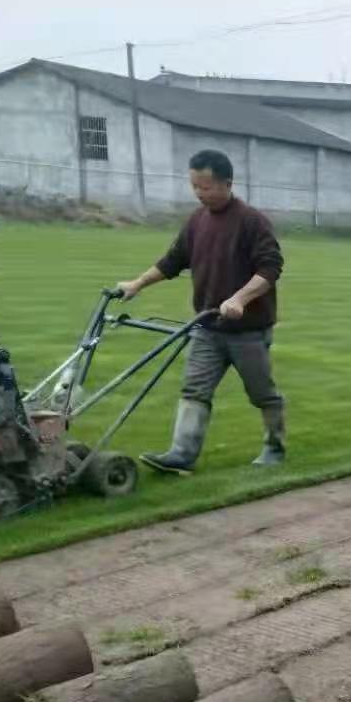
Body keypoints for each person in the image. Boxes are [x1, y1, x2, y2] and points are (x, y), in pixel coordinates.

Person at [116, 149, 285, 474]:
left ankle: (274, 448)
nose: (199, 193)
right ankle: (181, 455)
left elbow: (270, 269)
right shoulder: (197, 220)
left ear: (227, 183)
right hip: (207, 326)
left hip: (247, 330)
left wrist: (240, 299)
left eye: (205, 187)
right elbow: (173, 261)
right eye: (194, 186)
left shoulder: (252, 221)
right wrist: (137, 284)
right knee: (194, 389)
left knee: (261, 392)